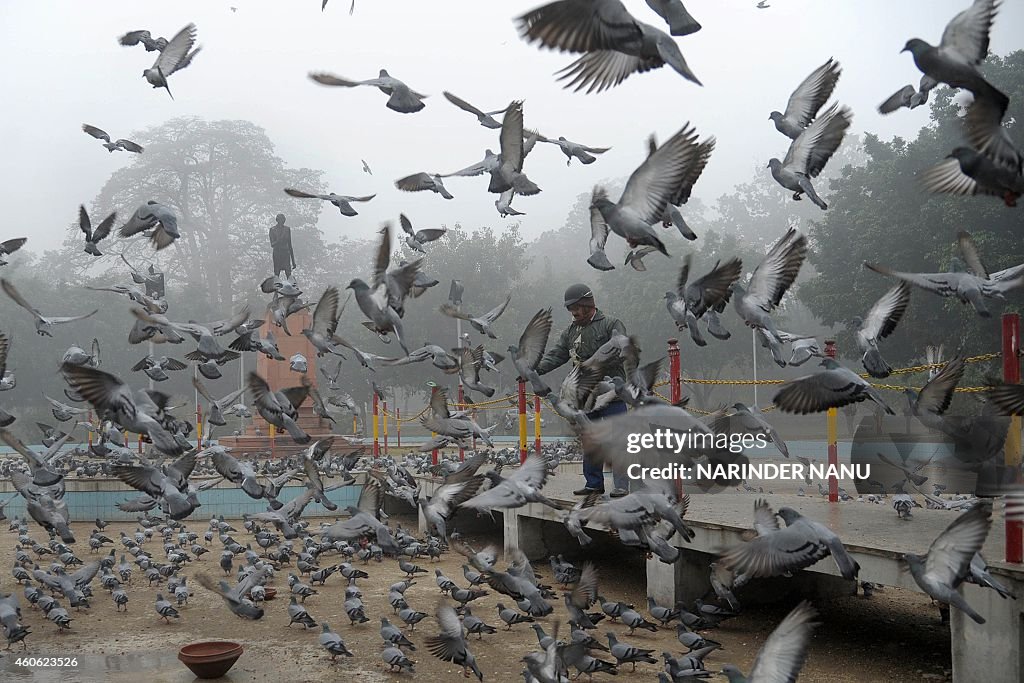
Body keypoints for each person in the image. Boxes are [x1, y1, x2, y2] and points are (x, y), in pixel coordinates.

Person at [534, 284, 630, 497]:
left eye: (577, 307)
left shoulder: (610, 324)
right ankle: (594, 483)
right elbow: (558, 354)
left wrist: (596, 363)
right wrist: (534, 369)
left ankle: (622, 485)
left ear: (588, 304)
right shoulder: (570, 331)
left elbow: (623, 350)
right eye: (571, 309)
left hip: (611, 393)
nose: (574, 312)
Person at [269, 213, 297, 280]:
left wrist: (293, 261)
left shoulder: (287, 229)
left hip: (285, 254)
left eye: (283, 220)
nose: (282, 221)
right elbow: (272, 244)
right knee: (276, 273)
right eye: (280, 219)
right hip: (277, 254)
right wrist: (278, 240)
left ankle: (290, 288)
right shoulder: (272, 229)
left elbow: (290, 245)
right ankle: (276, 288)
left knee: (288, 273)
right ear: (277, 220)